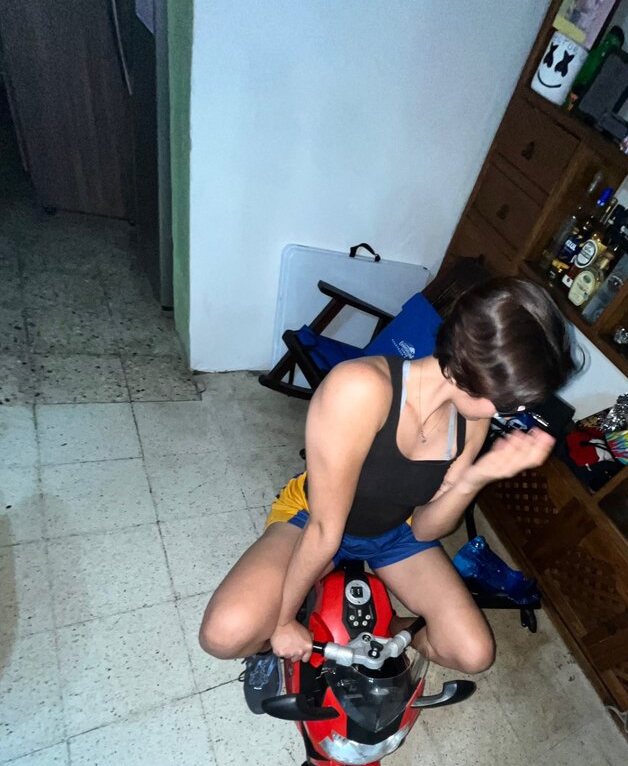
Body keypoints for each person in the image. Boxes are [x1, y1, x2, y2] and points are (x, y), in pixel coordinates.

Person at [199, 277, 575, 702]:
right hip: (314, 521)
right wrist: (284, 622)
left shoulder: (474, 419)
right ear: (471, 373)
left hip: (395, 532)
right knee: (224, 636)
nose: (514, 413)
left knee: (473, 653)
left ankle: (387, 627)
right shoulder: (360, 389)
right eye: (511, 403)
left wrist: (475, 477)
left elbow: (426, 529)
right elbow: (324, 529)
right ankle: (277, 637)